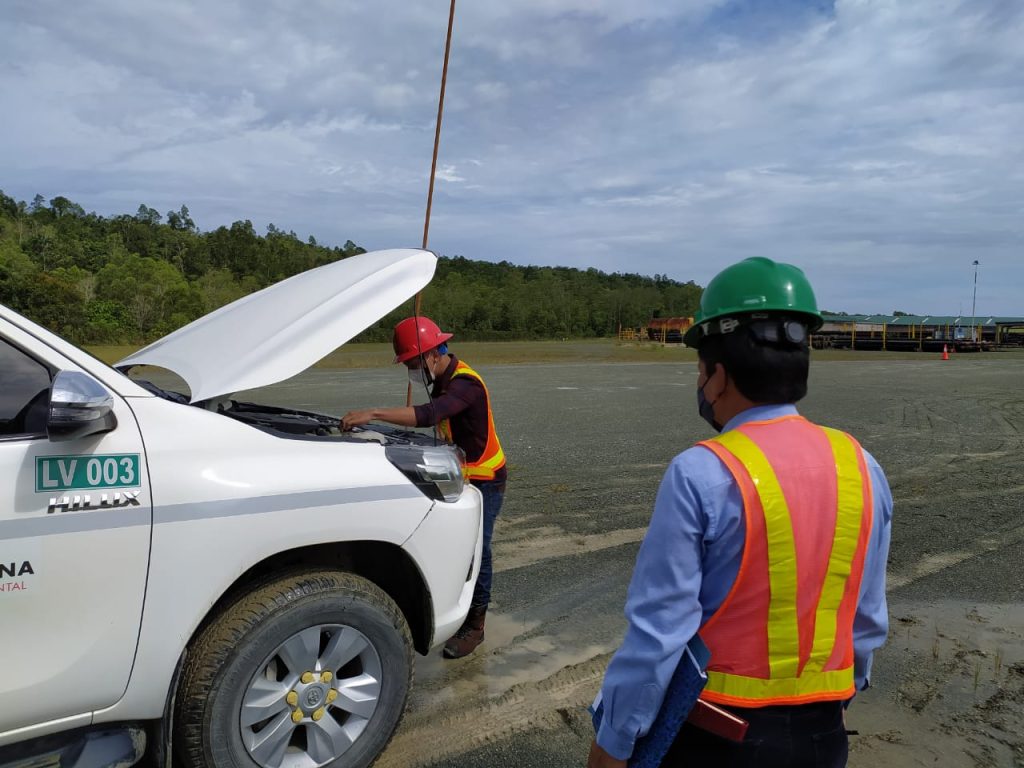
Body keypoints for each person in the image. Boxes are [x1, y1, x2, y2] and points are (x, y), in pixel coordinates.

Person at [587, 257, 893, 768]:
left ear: (717, 376)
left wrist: (613, 743)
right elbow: (866, 620)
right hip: (824, 736)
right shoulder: (862, 465)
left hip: (717, 739)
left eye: (700, 369)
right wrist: (836, 701)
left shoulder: (701, 472)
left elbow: (659, 634)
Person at [341, 316, 507, 659]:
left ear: (432, 354)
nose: (410, 371)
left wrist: (373, 413)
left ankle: (476, 625)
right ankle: (453, 608)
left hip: (486, 478)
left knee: (478, 550)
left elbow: (431, 415)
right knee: (453, 544)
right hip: (458, 474)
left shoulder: (466, 384)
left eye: (412, 363)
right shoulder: (441, 379)